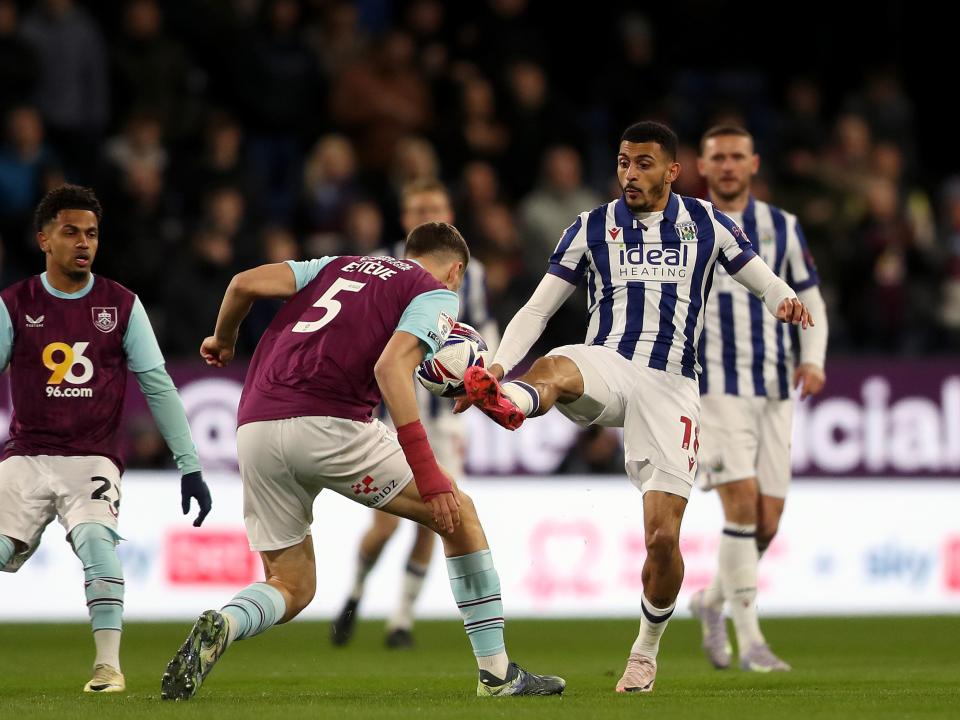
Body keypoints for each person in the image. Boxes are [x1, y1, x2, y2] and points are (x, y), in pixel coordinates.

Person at [458, 121, 814, 693]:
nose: (630, 173)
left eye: (644, 163)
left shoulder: (706, 223)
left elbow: (760, 277)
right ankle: (512, 399)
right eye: (624, 162)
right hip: (609, 363)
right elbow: (537, 308)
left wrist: (784, 300)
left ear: (673, 171)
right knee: (553, 366)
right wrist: (498, 366)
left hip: (671, 386)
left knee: (662, 540)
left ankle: (645, 650)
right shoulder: (591, 227)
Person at [160, 222, 563, 700]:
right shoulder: (434, 292)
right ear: (455, 271)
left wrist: (223, 339)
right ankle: (497, 676)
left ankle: (226, 623)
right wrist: (430, 475)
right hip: (332, 423)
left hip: (255, 424)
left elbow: (242, 283)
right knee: (460, 516)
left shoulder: (335, 265)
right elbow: (390, 368)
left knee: (291, 584)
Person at [0, 184, 211, 693]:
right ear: (43, 239)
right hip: (25, 456)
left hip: (91, 458)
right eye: (70, 231)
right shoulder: (14, 304)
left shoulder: (121, 305)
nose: (84, 242)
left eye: (91, 233)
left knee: (98, 542)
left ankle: (108, 668)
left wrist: (191, 464)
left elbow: (158, 385)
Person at [331, 179, 498, 649]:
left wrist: (480, 377)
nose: (429, 213)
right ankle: (355, 593)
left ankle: (401, 618)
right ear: (405, 219)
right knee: (384, 525)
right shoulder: (379, 267)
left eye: (437, 206)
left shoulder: (472, 275)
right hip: (386, 413)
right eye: (419, 207)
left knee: (440, 513)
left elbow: (484, 336)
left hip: (444, 420)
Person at [687, 125, 829, 672]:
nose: (726, 165)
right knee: (741, 506)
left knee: (765, 525)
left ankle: (710, 601)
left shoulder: (782, 227)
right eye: (717, 157)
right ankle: (752, 641)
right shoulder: (685, 225)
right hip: (713, 387)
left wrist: (812, 359)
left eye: (736, 157)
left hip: (774, 390)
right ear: (702, 165)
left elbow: (812, 298)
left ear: (753, 164)